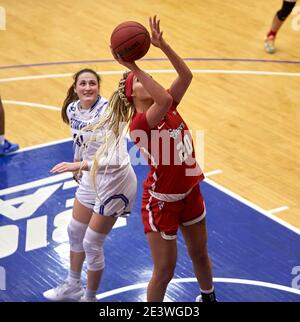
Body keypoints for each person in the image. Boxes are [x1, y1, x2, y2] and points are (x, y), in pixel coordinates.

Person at [93, 15, 217, 302]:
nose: (147, 79)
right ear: (132, 93)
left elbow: (186, 76)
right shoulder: (140, 123)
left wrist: (163, 46)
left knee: (200, 253)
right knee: (165, 271)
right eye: (140, 80)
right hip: (162, 201)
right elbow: (160, 100)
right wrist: (131, 65)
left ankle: (209, 297)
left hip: (190, 191)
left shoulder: (168, 104)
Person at [43, 68, 137, 302]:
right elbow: (79, 138)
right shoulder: (72, 109)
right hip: (91, 176)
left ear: (98, 87)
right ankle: (73, 285)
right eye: (83, 84)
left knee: (92, 243)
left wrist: (79, 166)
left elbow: (116, 160)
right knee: (74, 231)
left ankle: (90, 298)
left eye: (92, 84)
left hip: (115, 181)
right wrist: (77, 158)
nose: (87, 88)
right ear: (75, 87)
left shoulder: (109, 112)